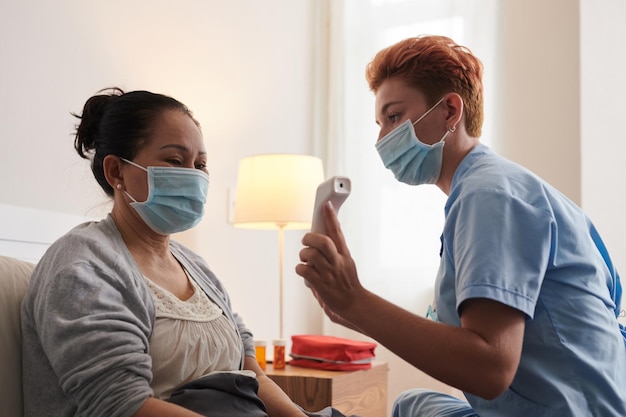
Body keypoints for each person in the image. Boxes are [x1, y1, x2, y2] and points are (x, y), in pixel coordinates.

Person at [296, 35, 626, 417]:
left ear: (451, 110)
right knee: (413, 404)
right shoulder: (496, 186)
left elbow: (490, 367)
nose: (382, 138)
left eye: (394, 116)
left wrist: (356, 300)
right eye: (379, 123)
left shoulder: (489, 194)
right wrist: (350, 310)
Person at [20, 87, 341, 417]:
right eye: (174, 161)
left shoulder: (195, 267)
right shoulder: (82, 265)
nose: (193, 176)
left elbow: (253, 376)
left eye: (200, 164)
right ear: (116, 171)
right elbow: (120, 404)